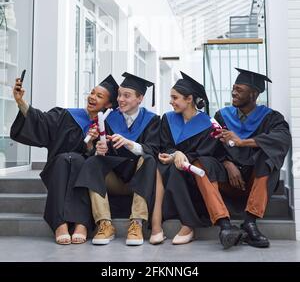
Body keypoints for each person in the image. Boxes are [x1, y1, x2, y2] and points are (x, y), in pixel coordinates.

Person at [10, 74, 119, 245]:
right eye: (92, 92)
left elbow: (101, 160)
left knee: (79, 161)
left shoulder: (106, 127)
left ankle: (81, 224)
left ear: (108, 104)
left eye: (99, 96)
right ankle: (60, 224)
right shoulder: (66, 115)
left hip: (82, 171)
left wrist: (91, 143)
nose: (92, 97)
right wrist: (21, 102)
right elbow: (41, 120)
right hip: (58, 169)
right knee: (65, 159)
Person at [200, 68, 291, 248]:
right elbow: (213, 147)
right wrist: (227, 164)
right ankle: (224, 224)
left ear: (254, 94)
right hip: (228, 180)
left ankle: (249, 222)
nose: (233, 92)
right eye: (233, 88)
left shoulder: (270, 118)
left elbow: (282, 138)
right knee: (201, 163)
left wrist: (243, 142)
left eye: (239, 90)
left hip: (253, 181)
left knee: (268, 157)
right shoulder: (222, 116)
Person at [150, 72, 243, 249]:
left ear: (189, 99)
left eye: (174, 97)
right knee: (166, 168)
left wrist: (183, 156)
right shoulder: (167, 119)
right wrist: (173, 154)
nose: (171, 101)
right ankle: (182, 224)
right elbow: (165, 145)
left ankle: (187, 225)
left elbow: (207, 153)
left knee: (179, 169)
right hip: (173, 168)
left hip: (197, 175)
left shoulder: (209, 123)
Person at [75, 72, 160, 246]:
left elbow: (154, 150)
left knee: (149, 160)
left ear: (140, 98)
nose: (120, 99)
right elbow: (98, 151)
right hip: (114, 180)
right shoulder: (108, 119)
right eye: (119, 95)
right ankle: (104, 224)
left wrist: (130, 144)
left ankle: (136, 223)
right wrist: (97, 148)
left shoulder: (152, 120)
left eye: (126, 96)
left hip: (140, 181)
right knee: (93, 161)